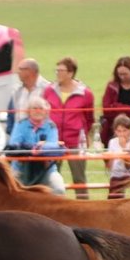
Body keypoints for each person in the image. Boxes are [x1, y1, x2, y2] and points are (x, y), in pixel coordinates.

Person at [42, 56, 95, 199]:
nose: (57, 73)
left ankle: (83, 208)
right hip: (54, 142)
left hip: (75, 142)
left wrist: (84, 136)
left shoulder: (86, 94)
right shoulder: (48, 91)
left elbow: (89, 119)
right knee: (51, 178)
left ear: (71, 73)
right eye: (57, 70)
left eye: (61, 70)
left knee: (79, 179)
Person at [5, 99, 65, 194]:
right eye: (34, 108)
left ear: (46, 111)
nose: (38, 111)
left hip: (46, 169)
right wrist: (36, 147)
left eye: (41, 108)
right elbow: (13, 146)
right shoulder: (20, 124)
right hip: (20, 168)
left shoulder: (51, 126)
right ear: (28, 111)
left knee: (58, 189)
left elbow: (53, 148)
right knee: (9, 191)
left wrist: (42, 147)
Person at [99, 55, 130, 147]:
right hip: (113, 131)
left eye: (125, 74)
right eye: (120, 74)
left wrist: (116, 106)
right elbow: (107, 110)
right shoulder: (112, 86)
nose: (122, 77)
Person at [8, 58, 50, 135]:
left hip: (40, 138)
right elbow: (11, 114)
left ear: (31, 71)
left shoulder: (47, 88)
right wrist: (12, 132)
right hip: (19, 138)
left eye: (21, 69)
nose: (18, 72)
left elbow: (51, 116)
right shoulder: (16, 90)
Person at [104, 114, 130, 199]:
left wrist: (124, 148)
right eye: (119, 131)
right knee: (114, 197)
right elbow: (109, 167)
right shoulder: (112, 142)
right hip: (116, 175)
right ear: (115, 131)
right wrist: (107, 159)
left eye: (124, 131)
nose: (122, 134)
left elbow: (129, 165)